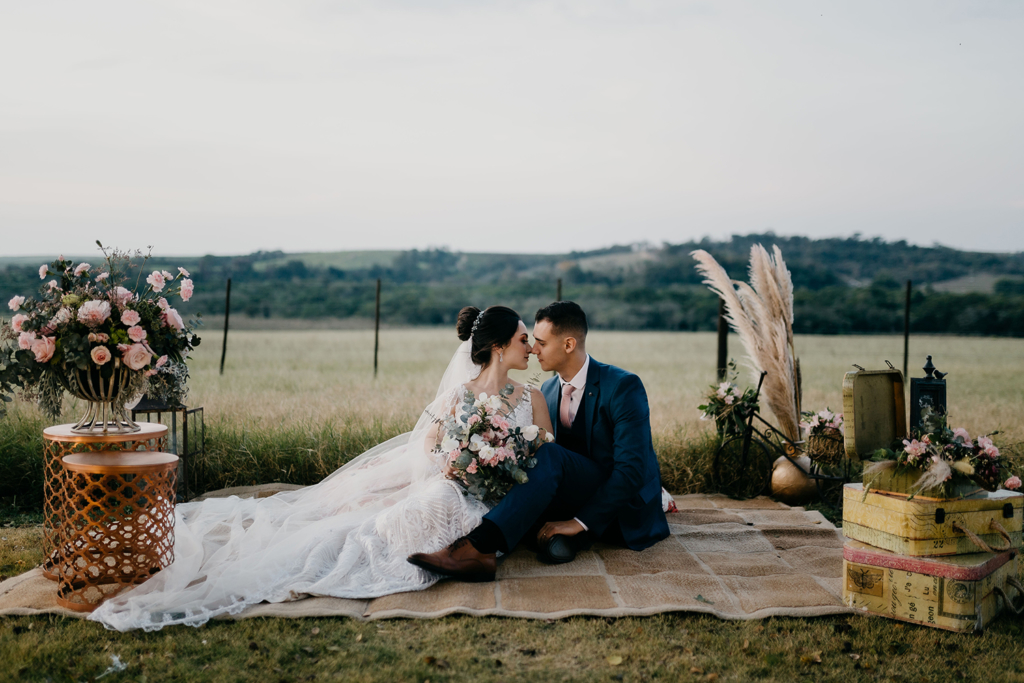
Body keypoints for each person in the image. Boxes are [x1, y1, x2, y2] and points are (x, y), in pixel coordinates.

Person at [89, 305, 551, 631]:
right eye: (523, 339)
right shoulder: (457, 396)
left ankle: (465, 551)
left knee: (442, 514)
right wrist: (459, 462)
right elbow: (429, 445)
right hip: (454, 481)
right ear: (496, 346)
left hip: (504, 490)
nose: (530, 347)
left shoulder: (530, 397)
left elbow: (548, 452)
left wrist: (505, 459)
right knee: (402, 514)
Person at [408, 301, 669, 579]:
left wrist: (578, 522)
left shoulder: (622, 386)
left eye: (541, 343)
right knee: (540, 465)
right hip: (574, 493)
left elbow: (631, 469)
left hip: (622, 508)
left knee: (549, 453)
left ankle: (480, 548)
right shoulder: (548, 389)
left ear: (568, 344)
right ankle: (551, 539)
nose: (533, 349)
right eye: (530, 342)